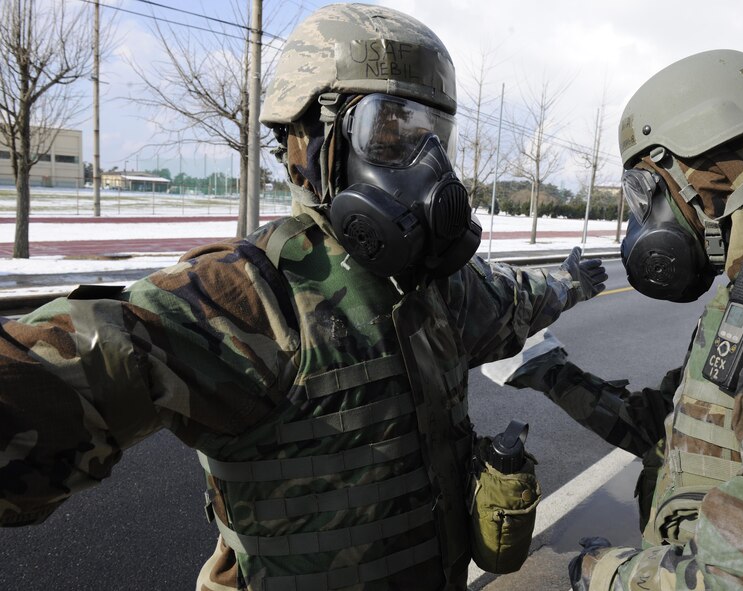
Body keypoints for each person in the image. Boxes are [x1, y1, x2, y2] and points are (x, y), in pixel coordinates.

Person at [0, 4, 608, 591]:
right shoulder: (244, 298)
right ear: (307, 139)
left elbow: (522, 297)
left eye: (433, 135)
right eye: (389, 132)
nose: (429, 166)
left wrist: (575, 282)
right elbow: (80, 360)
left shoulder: (443, 287)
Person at [493, 49, 743, 589]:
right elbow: (682, 434)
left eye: (644, 191)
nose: (645, 217)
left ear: (690, 171)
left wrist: (608, 574)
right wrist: (550, 372)